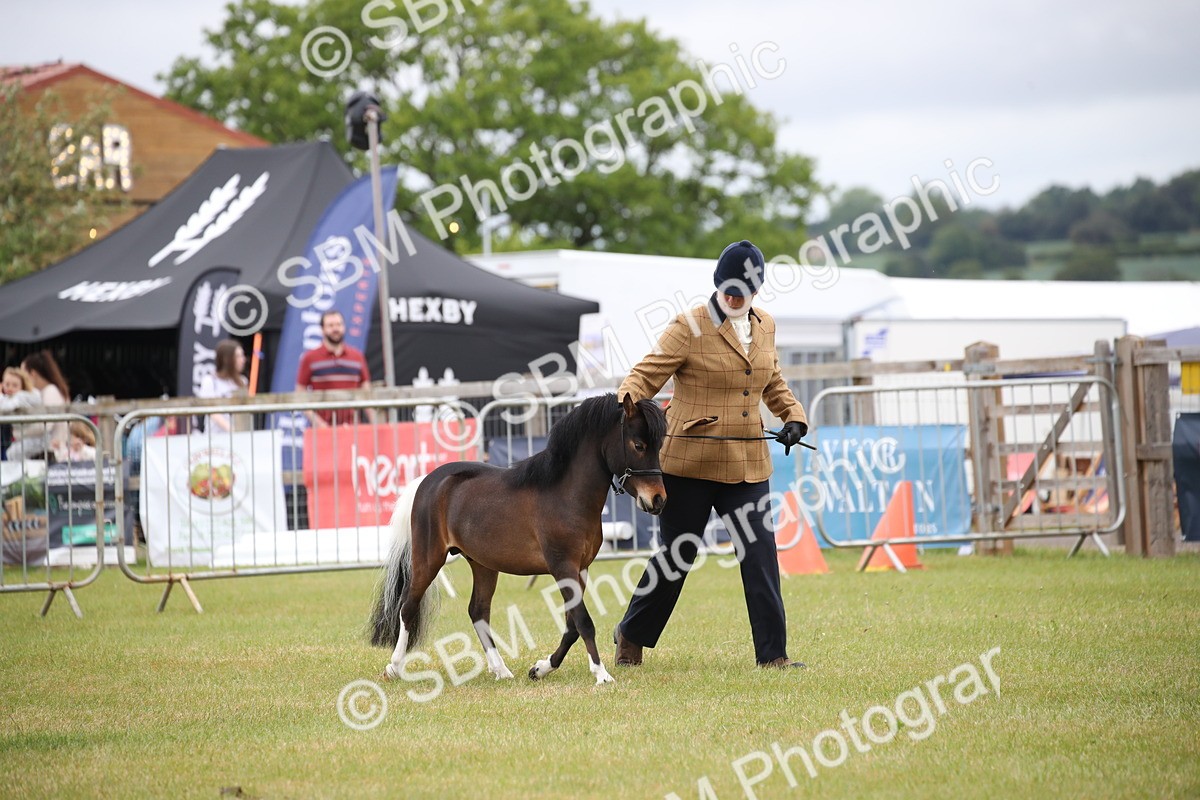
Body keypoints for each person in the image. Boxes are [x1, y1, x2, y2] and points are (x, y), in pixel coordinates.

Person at [613, 240, 809, 669]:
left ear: (756, 291)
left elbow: (772, 379)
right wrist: (622, 411)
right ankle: (630, 634)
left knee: (760, 554)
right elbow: (645, 375)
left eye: (743, 292)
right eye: (728, 290)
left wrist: (793, 417)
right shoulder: (689, 326)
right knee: (677, 555)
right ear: (717, 285)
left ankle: (773, 655)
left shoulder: (767, 325)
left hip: (747, 462)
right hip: (689, 462)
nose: (735, 298)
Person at [295, 310, 373, 426]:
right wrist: (319, 424)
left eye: (339, 324)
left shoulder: (357, 357)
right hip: (322, 430)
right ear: (322, 329)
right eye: (330, 325)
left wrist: (376, 424)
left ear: (344, 327)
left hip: (352, 428)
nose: (335, 329)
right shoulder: (310, 358)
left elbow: (366, 392)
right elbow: (300, 393)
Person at [13, 351, 70, 461]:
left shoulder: (50, 391)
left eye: (23, 375)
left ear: (33, 374)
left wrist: (19, 432)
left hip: (52, 453)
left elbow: (45, 424)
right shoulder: (43, 392)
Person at [196, 339, 249, 432]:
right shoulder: (210, 381)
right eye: (238, 356)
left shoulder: (243, 381)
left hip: (239, 435)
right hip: (216, 436)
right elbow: (210, 409)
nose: (243, 360)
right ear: (228, 359)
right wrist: (229, 428)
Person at [1, 367, 43, 461]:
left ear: (22, 386)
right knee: (12, 455)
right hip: (23, 437)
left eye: (15, 385)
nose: (10, 388)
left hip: (36, 437)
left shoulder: (21, 396)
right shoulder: (8, 398)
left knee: (12, 454)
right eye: (7, 384)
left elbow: (8, 406)